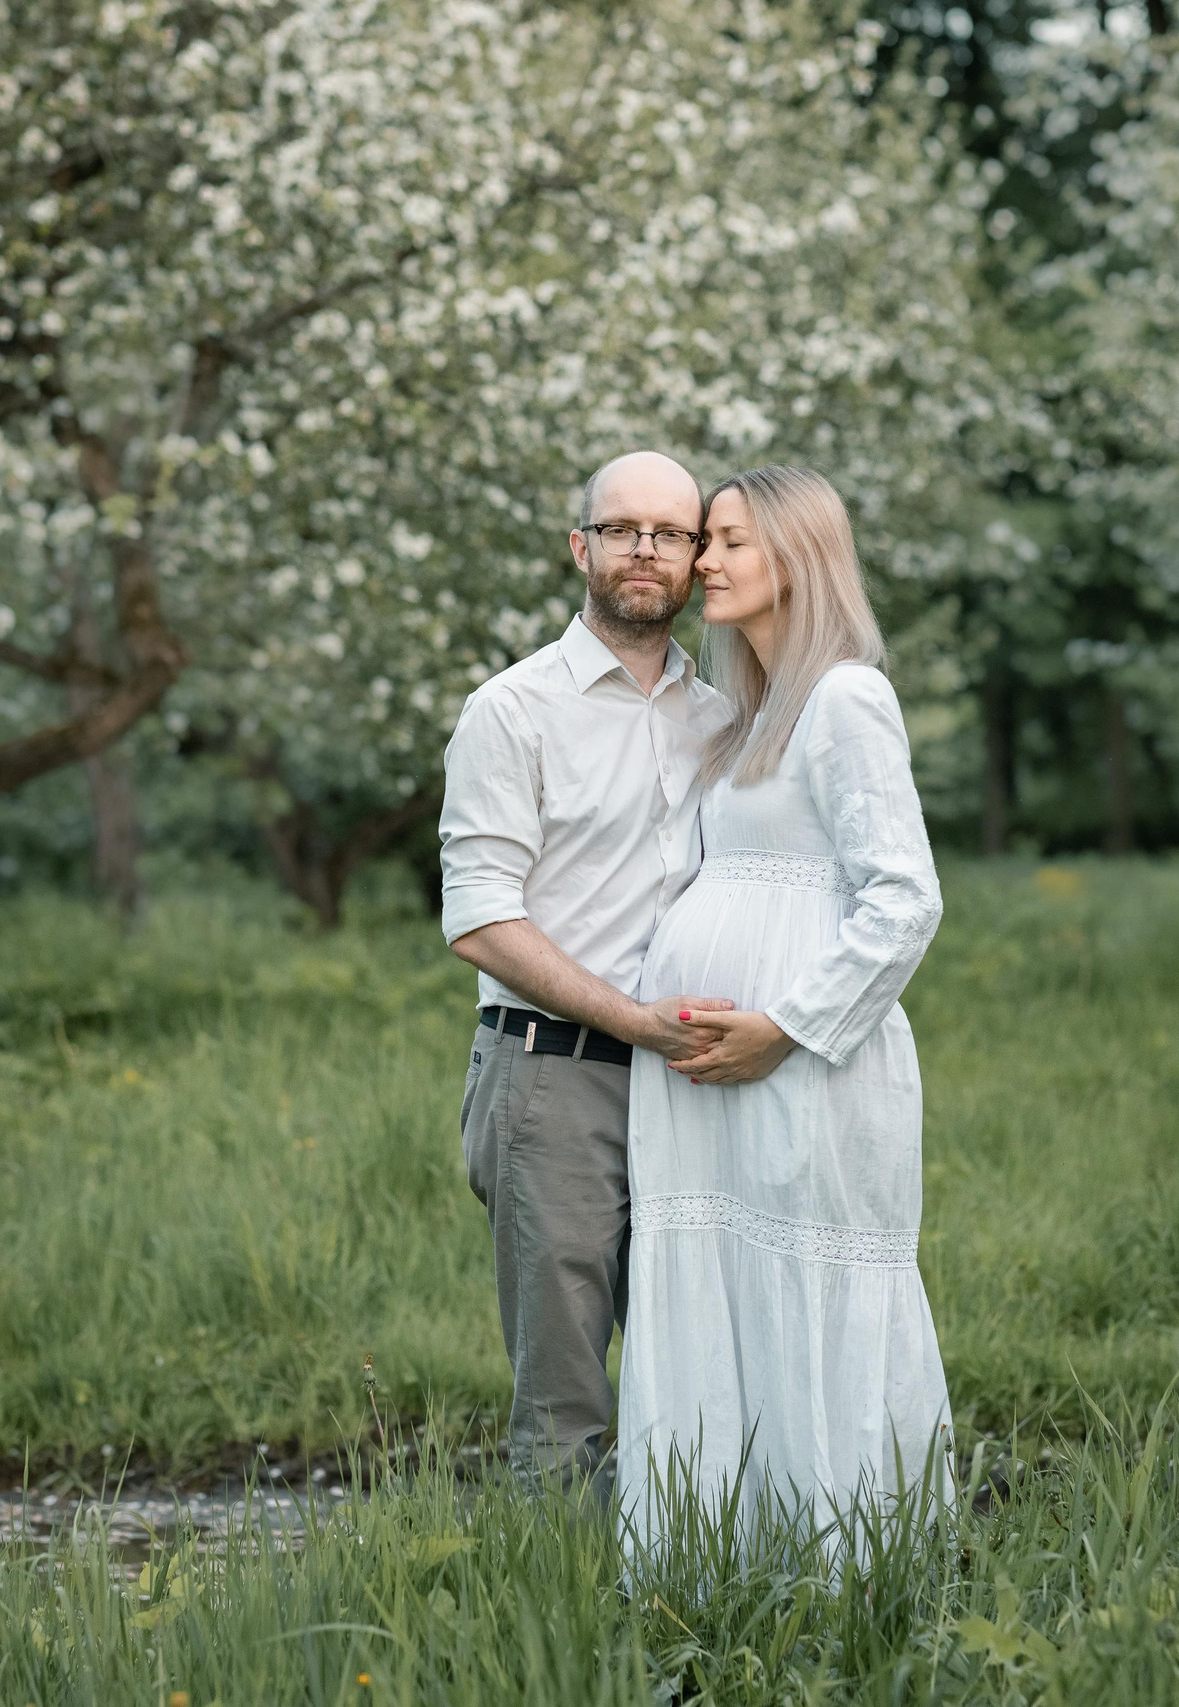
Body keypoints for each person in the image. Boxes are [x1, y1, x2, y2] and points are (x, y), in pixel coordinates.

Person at [614, 464, 954, 1548]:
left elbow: (904, 898)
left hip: (805, 1067)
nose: (700, 563)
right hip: (708, 1081)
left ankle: (850, 1572)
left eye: (728, 542)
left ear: (797, 560)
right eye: (705, 541)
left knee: (807, 1288)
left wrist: (786, 1028)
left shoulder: (847, 698)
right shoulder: (748, 715)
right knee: (722, 1293)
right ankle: (716, 1564)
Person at [437, 450, 736, 1490]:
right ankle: (564, 1635)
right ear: (581, 548)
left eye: (670, 531)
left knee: (692, 1376)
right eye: (621, 529)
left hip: (696, 1083)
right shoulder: (512, 711)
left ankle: (688, 1612)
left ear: (699, 558)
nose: (645, 549)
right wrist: (636, 1021)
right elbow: (480, 919)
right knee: (565, 1408)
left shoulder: (726, 719)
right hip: (551, 1079)